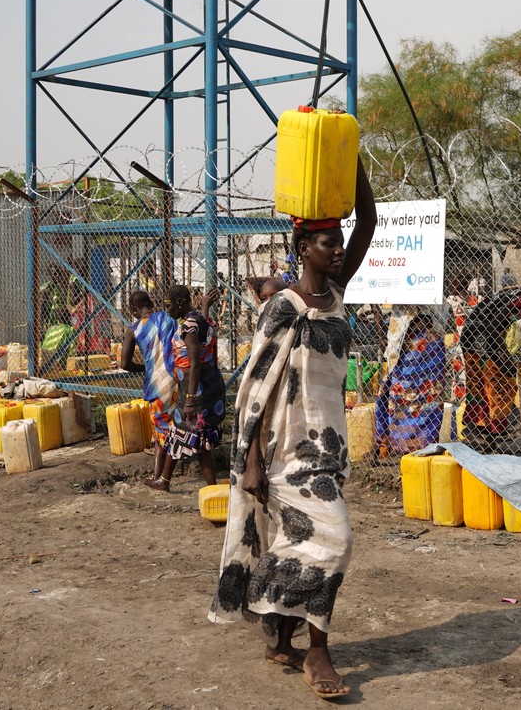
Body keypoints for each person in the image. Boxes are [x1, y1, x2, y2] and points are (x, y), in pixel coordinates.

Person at [211, 154, 376, 700]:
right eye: (327, 243)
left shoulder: (336, 295)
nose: (337, 249)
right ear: (304, 248)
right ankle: (318, 651)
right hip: (285, 452)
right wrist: (253, 461)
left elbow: (369, 222)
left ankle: (281, 633)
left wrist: (349, 157)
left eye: (339, 243)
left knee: (300, 539)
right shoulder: (283, 306)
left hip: (328, 445)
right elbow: (257, 388)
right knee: (336, 539)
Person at [142, 285, 225, 490]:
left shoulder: (188, 327)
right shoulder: (198, 320)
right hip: (206, 387)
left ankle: (213, 490)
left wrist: (190, 400)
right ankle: (164, 481)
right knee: (179, 433)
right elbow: (204, 334)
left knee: (197, 437)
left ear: (179, 303)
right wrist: (205, 306)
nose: (167, 311)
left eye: (169, 306)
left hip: (196, 390)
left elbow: (195, 363)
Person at [458, 272, 521, 449]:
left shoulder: (510, 294)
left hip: (470, 339)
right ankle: (490, 429)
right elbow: (495, 325)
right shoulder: (520, 301)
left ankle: (480, 429)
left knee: (478, 385)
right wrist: (503, 354)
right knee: (503, 386)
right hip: (483, 342)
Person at [119, 290, 177, 485]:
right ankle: (162, 476)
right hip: (177, 380)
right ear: (151, 303)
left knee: (161, 431)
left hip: (156, 385)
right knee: (177, 425)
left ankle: (158, 478)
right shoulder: (168, 318)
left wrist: (146, 367)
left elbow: (125, 363)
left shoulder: (134, 329)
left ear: (134, 309)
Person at [374, 307, 446, 454]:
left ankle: (421, 442)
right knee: (399, 393)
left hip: (426, 340)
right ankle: (408, 442)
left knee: (426, 395)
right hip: (406, 339)